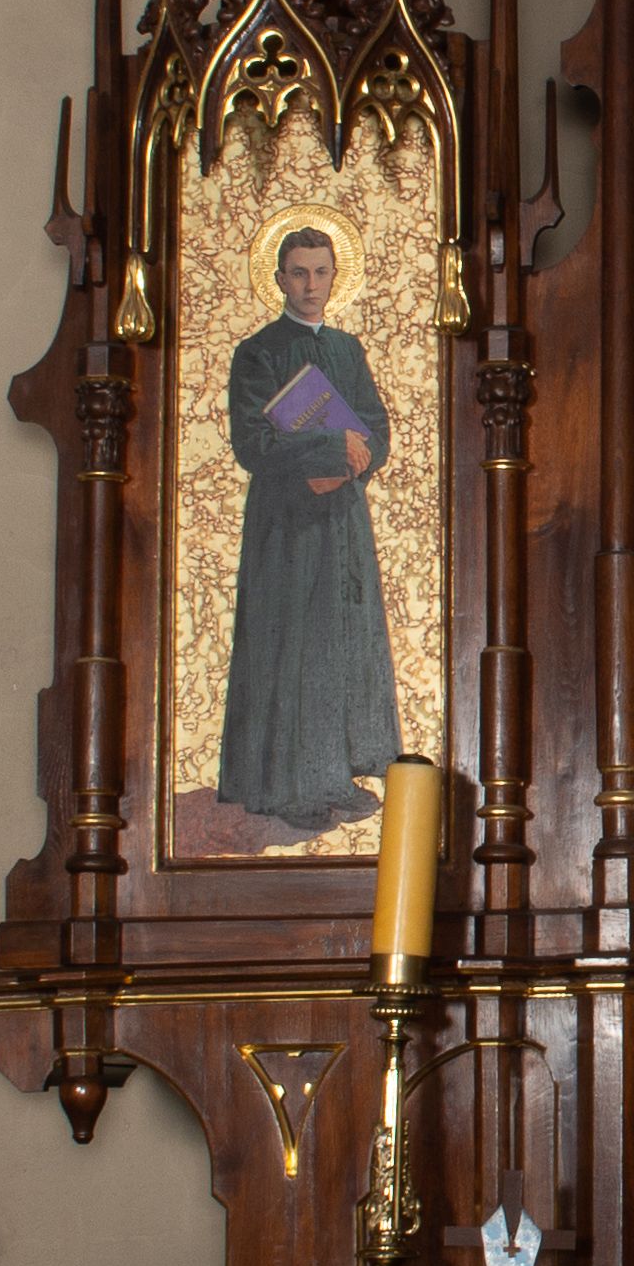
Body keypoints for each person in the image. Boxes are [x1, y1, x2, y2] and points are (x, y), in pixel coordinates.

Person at [216, 222, 400, 833]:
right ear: (279, 280)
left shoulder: (346, 350)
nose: (310, 285)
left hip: (341, 517)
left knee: (340, 638)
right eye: (299, 273)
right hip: (286, 524)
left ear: (334, 277)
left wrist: (359, 456)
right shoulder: (259, 352)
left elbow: (375, 427)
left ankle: (334, 774)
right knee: (294, 639)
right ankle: (288, 786)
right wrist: (328, 450)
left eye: (321, 272)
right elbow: (253, 443)